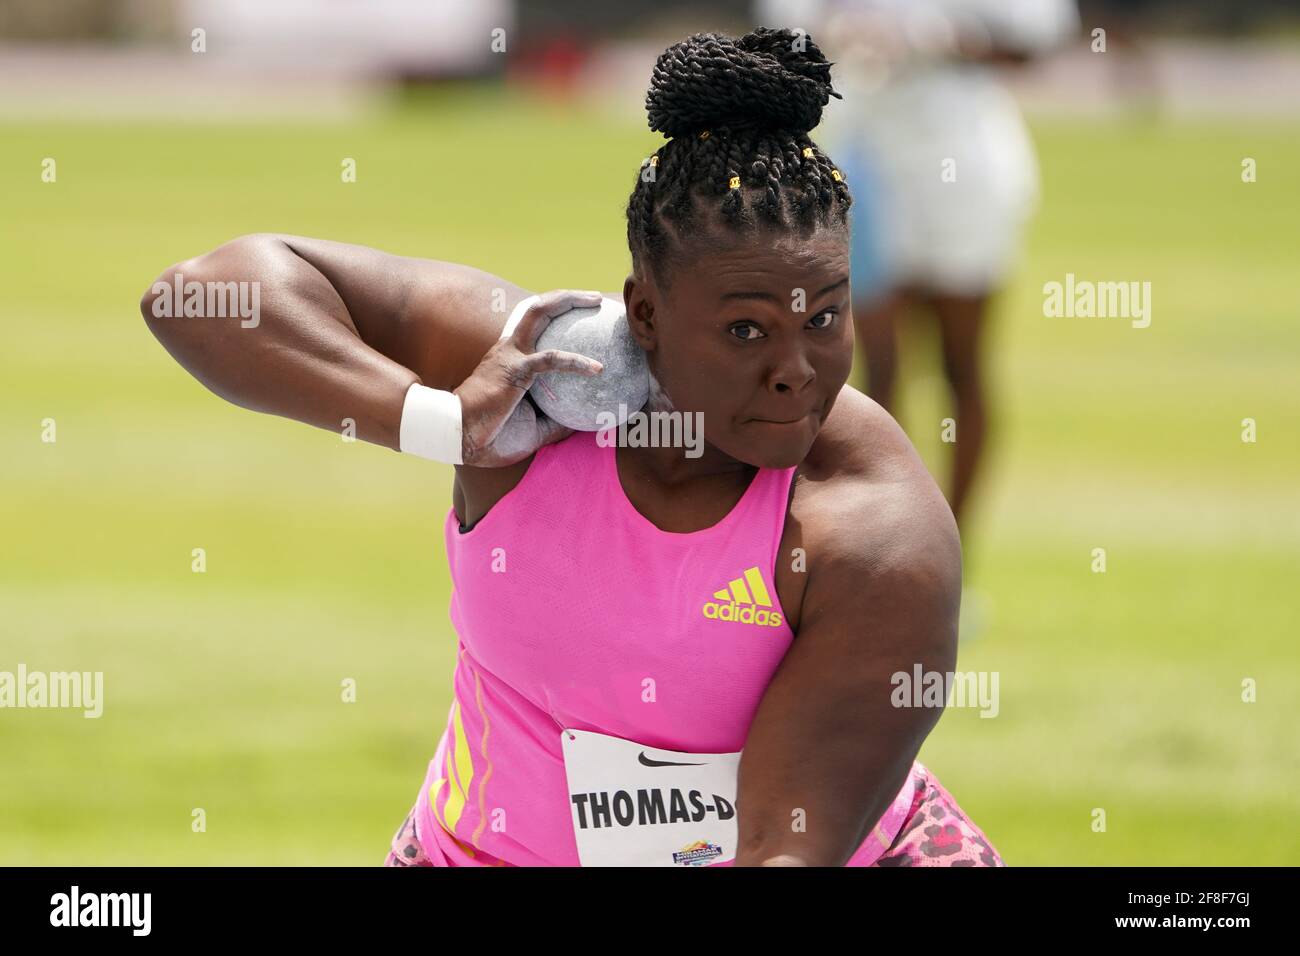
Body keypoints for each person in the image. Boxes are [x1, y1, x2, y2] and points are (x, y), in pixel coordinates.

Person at [141, 27, 1002, 867]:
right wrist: (441, 419)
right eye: (746, 330)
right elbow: (201, 296)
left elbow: (783, 845)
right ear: (647, 316)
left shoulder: (873, 526)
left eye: (824, 318)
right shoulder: (534, 371)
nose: (797, 373)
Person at [765, 0, 1079, 529]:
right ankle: (883, 546)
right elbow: (783, 33)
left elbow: (1035, 39)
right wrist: (844, 32)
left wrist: (944, 36)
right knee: (872, 373)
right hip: (866, 163)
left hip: (965, 168)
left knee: (961, 366)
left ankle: (954, 558)